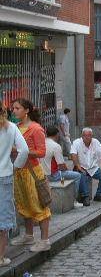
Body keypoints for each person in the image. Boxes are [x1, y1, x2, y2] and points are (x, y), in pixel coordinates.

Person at [10, 98, 51, 252]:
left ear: (26, 111)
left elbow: (42, 152)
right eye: (13, 108)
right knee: (24, 204)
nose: (14, 111)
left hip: (32, 172)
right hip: (19, 171)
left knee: (39, 204)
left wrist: (19, 150)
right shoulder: (15, 127)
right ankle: (28, 235)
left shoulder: (36, 128)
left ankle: (45, 240)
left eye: (17, 108)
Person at [0, 102, 29, 266]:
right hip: (4, 174)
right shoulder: (10, 127)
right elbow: (24, 150)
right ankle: (0, 257)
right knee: (3, 219)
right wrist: (15, 166)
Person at [43, 126, 84, 207]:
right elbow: (61, 165)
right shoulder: (55, 146)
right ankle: (74, 201)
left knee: (65, 175)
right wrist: (67, 170)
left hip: (42, 174)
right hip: (53, 175)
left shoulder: (41, 143)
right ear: (57, 134)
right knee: (77, 175)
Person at [70, 128, 101, 204]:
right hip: (80, 167)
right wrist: (78, 166)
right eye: (85, 135)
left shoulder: (96, 142)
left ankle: (99, 195)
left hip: (93, 168)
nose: (87, 137)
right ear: (82, 136)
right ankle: (85, 196)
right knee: (82, 175)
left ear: (92, 136)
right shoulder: (76, 142)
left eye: (89, 135)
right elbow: (73, 155)